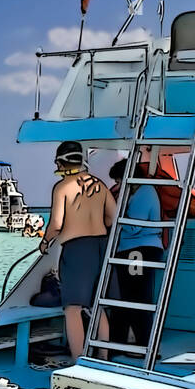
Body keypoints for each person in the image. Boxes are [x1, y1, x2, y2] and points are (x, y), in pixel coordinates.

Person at [40, 140, 116, 359]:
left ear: (60, 162)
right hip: (101, 246)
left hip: (76, 249)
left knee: (72, 309)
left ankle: (77, 360)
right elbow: (113, 215)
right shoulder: (99, 184)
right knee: (97, 305)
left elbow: (55, 224)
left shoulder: (63, 187)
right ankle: (103, 357)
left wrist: (45, 243)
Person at [108, 159, 164, 346]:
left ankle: (142, 342)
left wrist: (115, 211)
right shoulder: (140, 192)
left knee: (136, 298)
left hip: (138, 251)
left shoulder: (144, 192)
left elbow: (134, 227)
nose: (118, 186)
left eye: (118, 181)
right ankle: (128, 339)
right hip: (134, 250)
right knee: (130, 297)